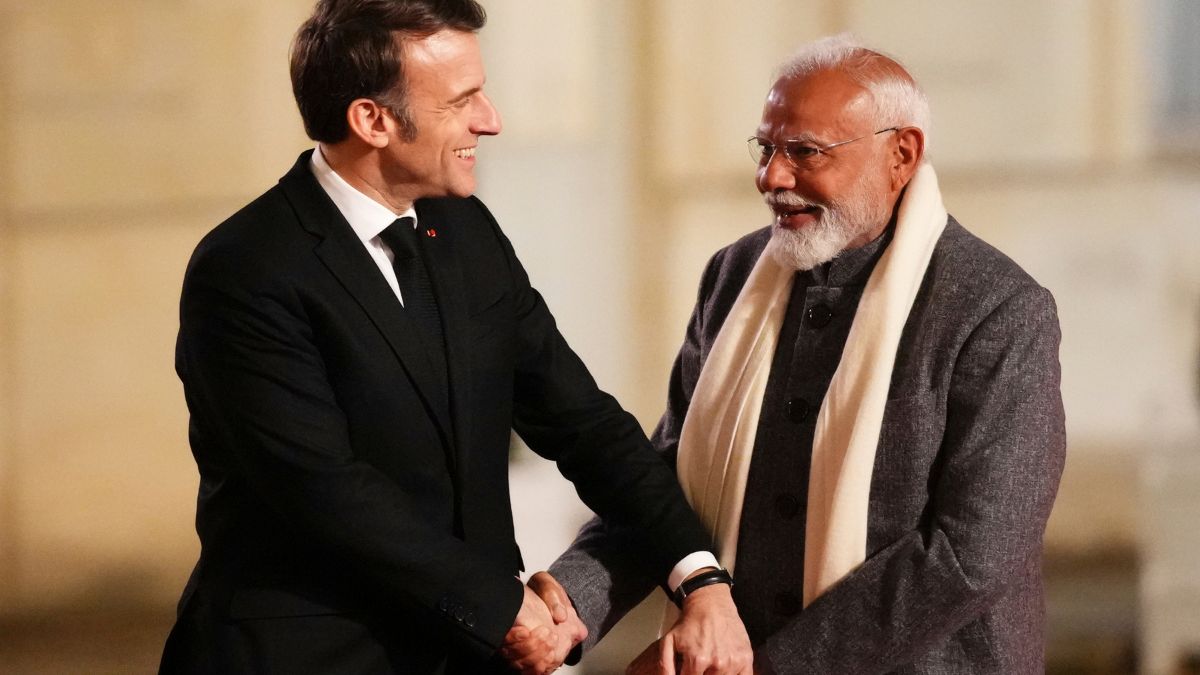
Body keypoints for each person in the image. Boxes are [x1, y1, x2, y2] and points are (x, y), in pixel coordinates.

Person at [158, 1, 752, 673]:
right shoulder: (247, 266)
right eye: (461, 100)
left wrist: (697, 574)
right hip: (306, 655)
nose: (490, 120)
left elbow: (582, 422)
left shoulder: (466, 232)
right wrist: (503, 608)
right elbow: (323, 488)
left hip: (464, 657)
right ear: (373, 120)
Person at [529, 34, 1067, 674]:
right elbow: (666, 481)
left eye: (806, 152)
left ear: (901, 153)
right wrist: (570, 603)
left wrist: (769, 668)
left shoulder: (996, 309)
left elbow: (970, 555)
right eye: (766, 148)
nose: (772, 177)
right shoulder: (733, 275)